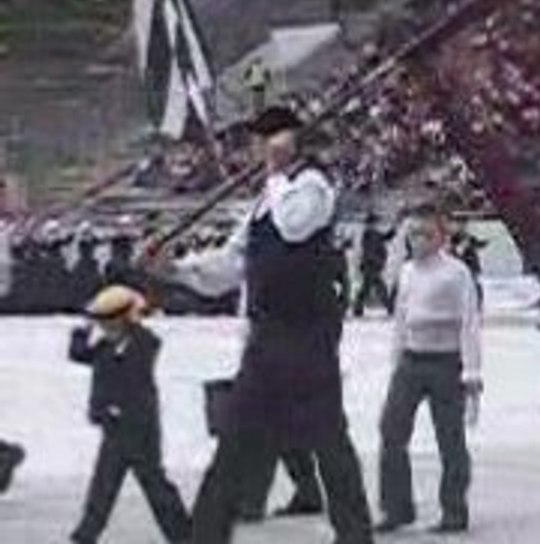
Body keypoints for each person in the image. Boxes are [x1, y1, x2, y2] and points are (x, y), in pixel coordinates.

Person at [169, 105, 373, 544]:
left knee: (328, 442)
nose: (258, 148)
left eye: (265, 139)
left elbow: (295, 228)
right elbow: (232, 261)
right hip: (266, 339)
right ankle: (204, 534)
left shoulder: (312, 187)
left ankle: (355, 534)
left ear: (288, 140)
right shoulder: (266, 198)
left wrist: (279, 176)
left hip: (308, 338)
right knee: (235, 440)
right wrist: (178, 269)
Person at [375, 204, 482, 535]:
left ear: (441, 237)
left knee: (449, 438)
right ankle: (396, 507)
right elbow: (400, 321)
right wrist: (396, 361)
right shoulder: (407, 271)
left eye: (425, 234)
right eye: (413, 235)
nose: (417, 241)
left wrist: (472, 374)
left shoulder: (456, 273)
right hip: (412, 359)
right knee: (391, 430)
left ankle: (454, 509)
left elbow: (470, 324)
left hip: (445, 362)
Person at [67, 286, 191, 544]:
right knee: (103, 487)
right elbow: (78, 354)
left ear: (126, 319)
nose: (105, 329)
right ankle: (85, 535)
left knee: (155, 485)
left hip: (139, 429)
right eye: (102, 323)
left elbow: (133, 381)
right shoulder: (106, 346)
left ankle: (185, 536)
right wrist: (84, 328)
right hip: (114, 427)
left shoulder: (143, 344)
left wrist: (115, 408)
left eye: (109, 322)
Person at [355, 213, 395, 317]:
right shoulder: (368, 235)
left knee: (366, 288)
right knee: (379, 287)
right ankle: (390, 307)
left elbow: (386, 237)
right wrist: (375, 261)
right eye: (373, 223)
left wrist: (394, 228)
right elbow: (369, 251)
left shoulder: (374, 234)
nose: (375, 225)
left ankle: (358, 308)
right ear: (370, 224)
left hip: (373, 265)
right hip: (371, 265)